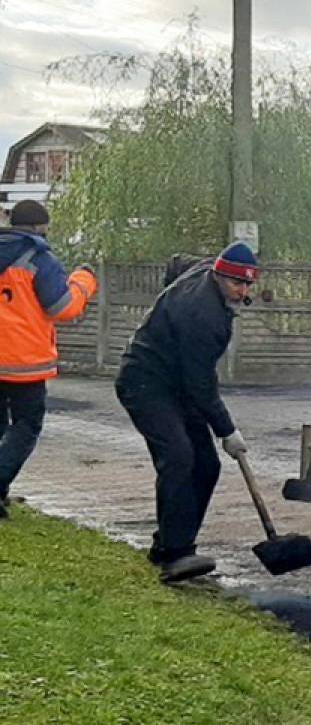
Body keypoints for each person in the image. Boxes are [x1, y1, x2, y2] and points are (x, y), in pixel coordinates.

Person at [114, 242, 258, 582]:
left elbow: (176, 259)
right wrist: (227, 431)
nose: (243, 291)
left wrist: (166, 299)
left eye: (249, 284)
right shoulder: (202, 316)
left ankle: (168, 542)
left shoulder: (202, 267)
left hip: (176, 385)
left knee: (206, 465)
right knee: (178, 456)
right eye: (237, 284)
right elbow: (201, 386)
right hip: (145, 382)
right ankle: (177, 555)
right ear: (219, 276)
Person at [0, 200, 97, 518]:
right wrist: (84, 282)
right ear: (41, 227)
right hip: (24, 361)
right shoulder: (39, 258)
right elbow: (62, 308)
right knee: (26, 426)